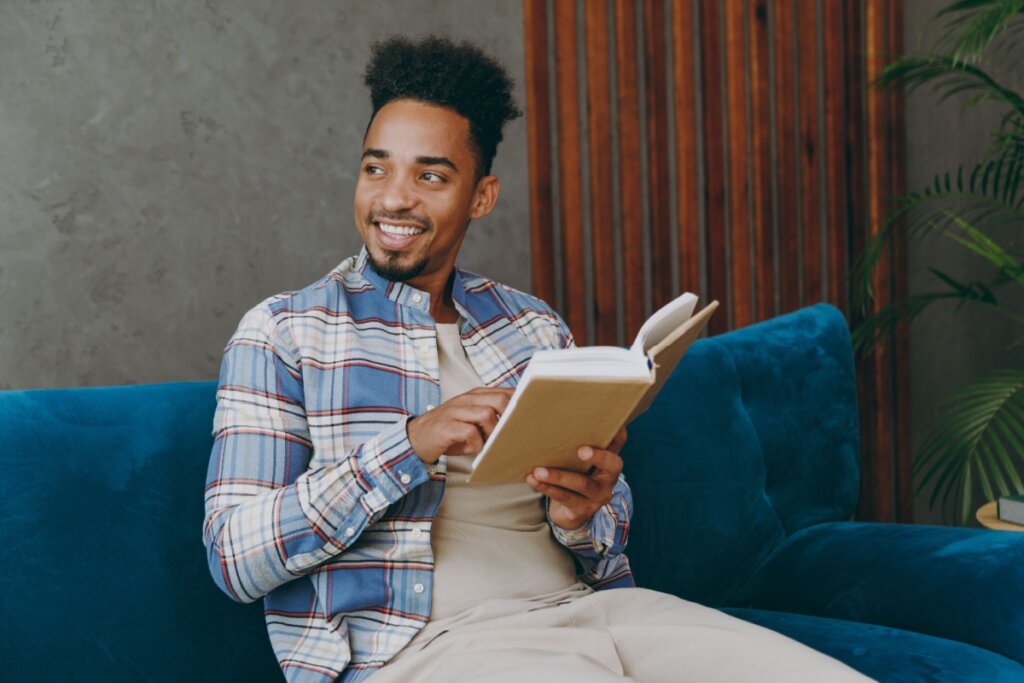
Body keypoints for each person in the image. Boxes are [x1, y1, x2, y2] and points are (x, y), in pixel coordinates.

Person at [204, 35, 872, 683]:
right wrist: (411, 443)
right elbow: (235, 556)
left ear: (482, 196)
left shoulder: (530, 325)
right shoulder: (284, 332)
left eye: (430, 175)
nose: (393, 197)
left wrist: (582, 512)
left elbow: (603, 534)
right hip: (434, 649)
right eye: (376, 167)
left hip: (598, 612)